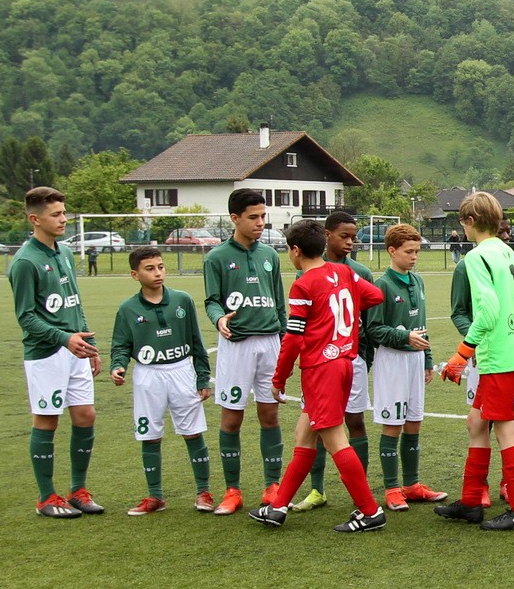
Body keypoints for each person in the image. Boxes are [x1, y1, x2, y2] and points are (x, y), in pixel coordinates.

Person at [248, 220, 388, 533]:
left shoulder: (303, 284)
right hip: (344, 362)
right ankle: (278, 508)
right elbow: (375, 296)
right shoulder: (344, 272)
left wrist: (278, 378)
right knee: (304, 435)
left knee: (335, 439)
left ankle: (370, 512)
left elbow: (293, 338)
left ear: (295, 250)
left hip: (321, 369)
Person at [434, 193, 514, 530]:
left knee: (505, 428)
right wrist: (510, 330)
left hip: (497, 358)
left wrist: (461, 354)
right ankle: (470, 503)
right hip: (510, 352)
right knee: (476, 423)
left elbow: (488, 310)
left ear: (469, 221)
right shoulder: (507, 250)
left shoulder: (477, 256)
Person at [10, 187, 102, 518]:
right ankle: (46, 497)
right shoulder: (25, 262)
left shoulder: (63, 252)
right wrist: (63, 338)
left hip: (75, 348)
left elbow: (74, 301)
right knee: (47, 419)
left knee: (85, 415)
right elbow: (26, 317)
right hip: (47, 352)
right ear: (35, 219)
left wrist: (89, 343)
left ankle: (77, 490)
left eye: (64, 213)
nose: (63, 219)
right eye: (56, 214)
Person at [110, 245, 214, 514]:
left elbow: (196, 341)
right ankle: (155, 496)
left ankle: (204, 492)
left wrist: (203, 377)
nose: (158, 273)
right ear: (135, 275)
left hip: (181, 371)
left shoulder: (182, 300)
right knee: (149, 435)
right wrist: (118, 366)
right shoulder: (128, 309)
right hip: (148, 374)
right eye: (150, 269)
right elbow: (121, 345)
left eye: (160, 267)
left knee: (193, 431)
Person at [203, 188, 286, 516]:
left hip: (270, 343)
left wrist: (284, 339)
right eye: (253, 217)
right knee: (231, 418)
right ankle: (232, 490)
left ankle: (272, 485)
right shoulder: (216, 257)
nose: (260, 222)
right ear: (235, 218)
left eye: (263, 216)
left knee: (270, 415)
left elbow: (279, 303)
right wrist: (219, 318)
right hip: (236, 346)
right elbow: (212, 301)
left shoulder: (270, 255)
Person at [292, 210, 375, 512]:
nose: (351, 242)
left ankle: (360, 494)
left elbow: (370, 320)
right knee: (315, 425)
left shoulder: (360, 272)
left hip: (349, 358)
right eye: (344, 236)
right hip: (321, 363)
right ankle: (317, 489)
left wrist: (363, 353)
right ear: (326, 236)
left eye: (354, 237)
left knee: (354, 421)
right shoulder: (306, 274)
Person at [365, 223, 450, 511]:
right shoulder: (381, 285)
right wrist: (404, 337)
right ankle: (392, 489)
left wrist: (427, 359)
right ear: (392, 251)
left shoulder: (418, 281)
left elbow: (421, 326)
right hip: (393, 360)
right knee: (393, 424)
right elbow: (373, 329)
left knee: (414, 421)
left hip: (415, 359)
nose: (414, 257)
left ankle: (412, 485)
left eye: (417, 251)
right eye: (408, 252)